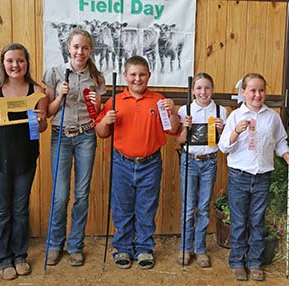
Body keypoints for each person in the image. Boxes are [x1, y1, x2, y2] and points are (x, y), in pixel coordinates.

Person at [95, 55, 180, 270]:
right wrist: (106, 120)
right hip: (121, 162)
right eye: (133, 74)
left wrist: (173, 111)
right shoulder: (114, 102)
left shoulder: (158, 100)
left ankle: (143, 248)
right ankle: (123, 247)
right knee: (122, 206)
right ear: (125, 76)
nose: (137, 79)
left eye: (142, 74)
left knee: (146, 207)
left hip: (150, 164)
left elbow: (173, 129)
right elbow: (101, 132)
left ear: (149, 76)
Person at [0, 43, 48, 280]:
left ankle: (19, 255)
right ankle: (3, 259)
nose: (15, 65)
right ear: (3, 63)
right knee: (2, 211)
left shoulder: (37, 90)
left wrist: (42, 118)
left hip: (25, 158)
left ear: (27, 63)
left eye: (20, 60)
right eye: (10, 61)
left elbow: (42, 127)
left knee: (20, 209)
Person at [218, 73, 289, 281]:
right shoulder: (235, 116)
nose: (257, 94)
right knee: (239, 221)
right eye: (252, 90)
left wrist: (285, 153)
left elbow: (280, 141)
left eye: (261, 90)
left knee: (257, 220)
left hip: (262, 176)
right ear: (243, 92)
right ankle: (236, 261)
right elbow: (224, 147)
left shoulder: (272, 117)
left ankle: (254, 262)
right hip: (239, 176)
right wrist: (235, 131)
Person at [42, 28, 106, 267]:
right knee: (60, 196)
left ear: (90, 50)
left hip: (86, 136)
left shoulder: (96, 78)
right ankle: (54, 244)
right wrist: (59, 96)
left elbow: (98, 114)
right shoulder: (55, 73)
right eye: (76, 47)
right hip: (61, 136)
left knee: (81, 194)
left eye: (85, 48)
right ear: (68, 47)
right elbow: (48, 112)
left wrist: (97, 104)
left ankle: (76, 245)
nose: (80, 51)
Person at [176, 72, 227, 267]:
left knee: (204, 208)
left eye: (207, 88)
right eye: (198, 88)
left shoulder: (221, 111)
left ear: (212, 89)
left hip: (210, 162)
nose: (203, 92)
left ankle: (200, 249)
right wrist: (185, 128)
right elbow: (179, 141)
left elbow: (224, 145)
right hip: (189, 161)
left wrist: (222, 130)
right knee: (188, 208)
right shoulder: (185, 110)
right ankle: (184, 248)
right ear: (192, 91)